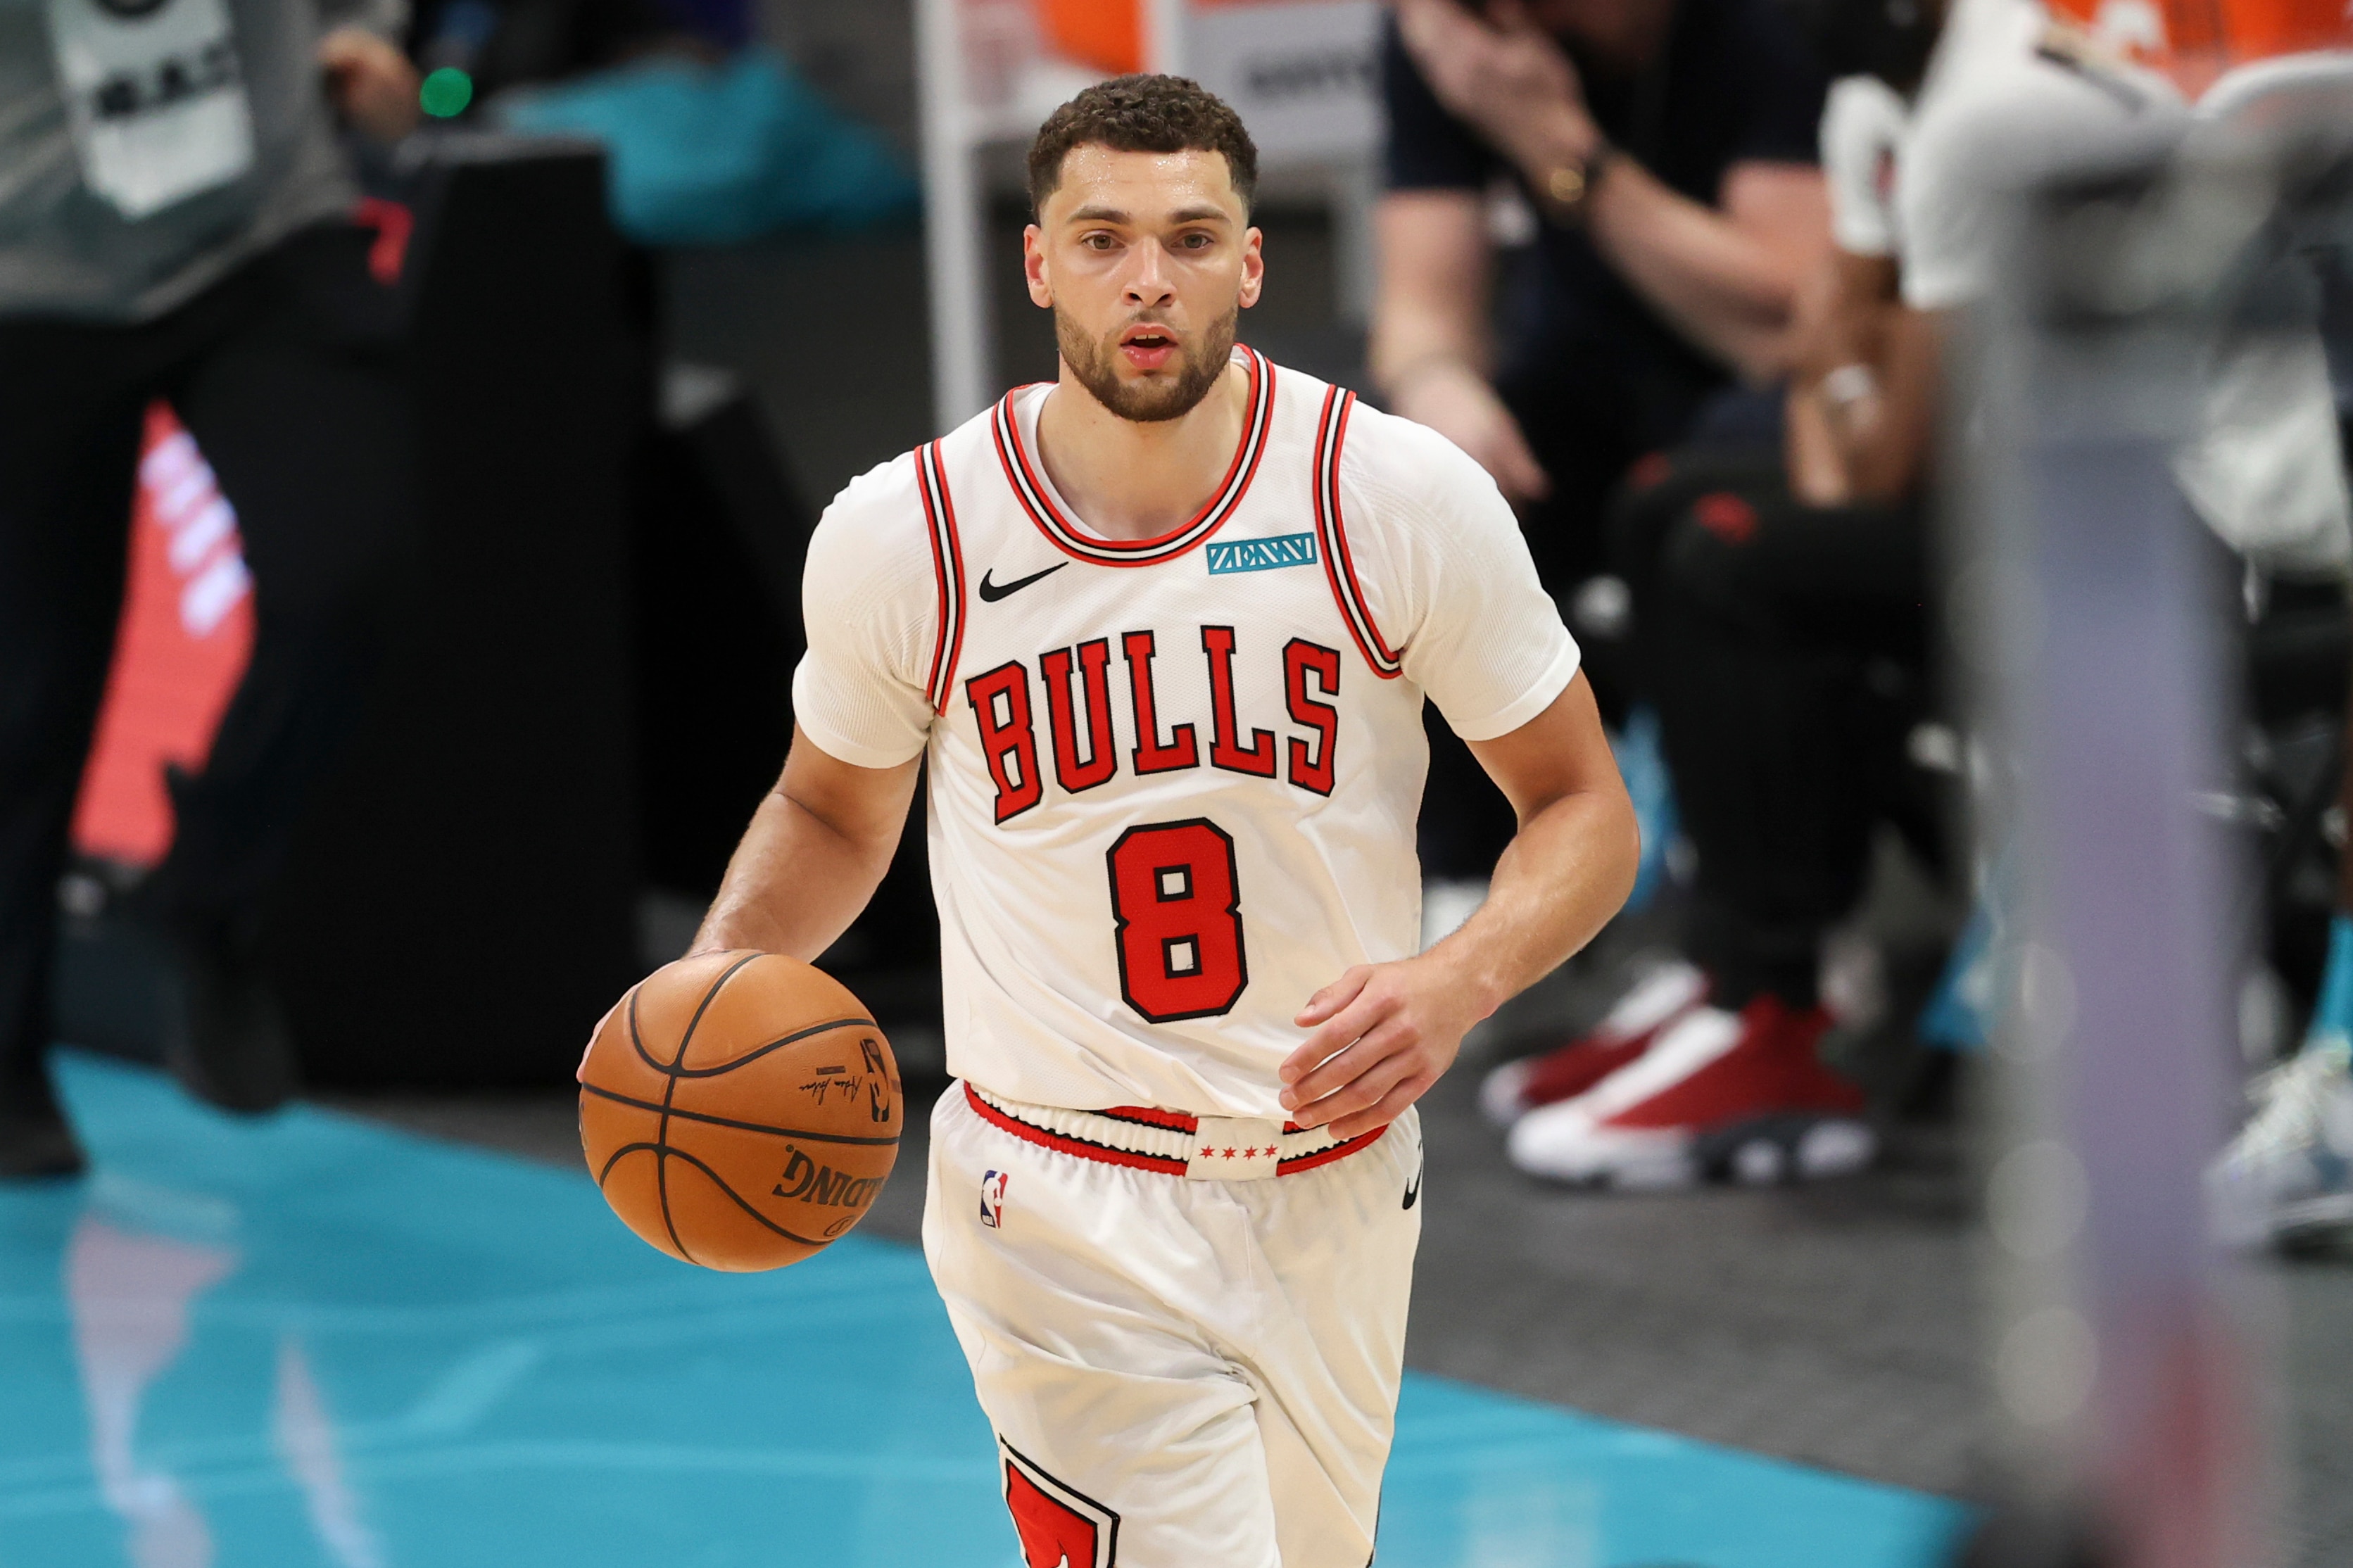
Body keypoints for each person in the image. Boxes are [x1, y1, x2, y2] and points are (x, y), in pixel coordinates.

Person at [679, 76, 1638, 1568]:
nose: (1148, 277)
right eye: (1105, 236)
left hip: (1335, 1182)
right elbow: (828, 802)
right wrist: (719, 978)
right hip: (1056, 1200)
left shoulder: (1390, 498)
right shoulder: (912, 534)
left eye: (1192, 237)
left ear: (1252, 265)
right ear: (1039, 262)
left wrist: (1463, 978)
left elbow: (1581, 807)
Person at [1493, 0, 2352, 1190]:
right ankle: (1742, 973)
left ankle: (1778, 1012)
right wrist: (1844, 403)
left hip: (2191, 545)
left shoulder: (1983, 111)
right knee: (1666, 505)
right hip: (2036, 490)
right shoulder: (1876, 97)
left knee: (1733, 555)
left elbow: (1885, 456)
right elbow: (1821, 352)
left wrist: (1845, 404)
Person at [0, 0, 421, 1177]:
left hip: (260, 236)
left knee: (347, 569)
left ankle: (205, 897)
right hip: (25, 278)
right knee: (28, 700)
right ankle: (6, 1061)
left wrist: (359, 27)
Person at [1373, 0, 1831, 874]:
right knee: (1404, 483)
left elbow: (1783, 326)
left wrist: (1554, 144)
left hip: (1765, 391)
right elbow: (1419, 308)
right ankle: (1466, 881)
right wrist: (1438, 388)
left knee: (1694, 510)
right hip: (1582, 369)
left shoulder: (1754, 31)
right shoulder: (1454, 32)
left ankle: (1751, 929)